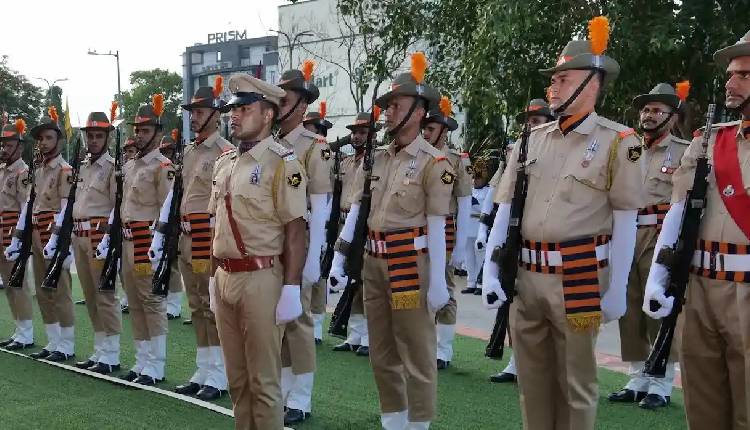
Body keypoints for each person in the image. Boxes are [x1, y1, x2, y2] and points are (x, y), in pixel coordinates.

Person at [483, 17, 644, 429]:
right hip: (526, 274)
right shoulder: (532, 139)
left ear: (592, 81)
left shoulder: (619, 142)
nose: (552, 88)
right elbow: (506, 207)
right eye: (553, 79)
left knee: (576, 383)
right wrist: (491, 268)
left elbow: (626, 219)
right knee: (532, 382)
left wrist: (617, 289)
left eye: (562, 79)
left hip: (579, 274)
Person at [329, 52, 454, 430]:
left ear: (418, 111)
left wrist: (439, 281)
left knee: (416, 352)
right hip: (372, 262)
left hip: (409, 264)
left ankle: (418, 424)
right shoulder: (376, 159)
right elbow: (356, 211)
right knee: (381, 351)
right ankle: (394, 421)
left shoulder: (435, 163)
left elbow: (436, 224)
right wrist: (339, 258)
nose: (387, 113)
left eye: (395, 106)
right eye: (387, 106)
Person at [644, 29, 750, 429]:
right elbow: (678, 210)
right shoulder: (709, 141)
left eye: (744, 74)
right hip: (699, 287)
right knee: (703, 406)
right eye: (730, 74)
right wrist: (658, 276)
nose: (730, 82)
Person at [210, 72, 306, 430]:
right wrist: (213, 277)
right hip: (225, 277)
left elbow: (295, 230)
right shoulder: (225, 162)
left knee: (264, 383)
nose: (234, 115)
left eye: (244, 109)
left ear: (268, 114)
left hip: (262, 279)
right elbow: (217, 224)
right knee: (237, 382)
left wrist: (291, 287)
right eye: (233, 109)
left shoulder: (283, 162)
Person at [607, 83, 690, 409]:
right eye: (645, 109)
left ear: (672, 117)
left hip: (660, 236)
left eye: (657, 110)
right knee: (629, 307)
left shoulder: (684, 151)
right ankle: (637, 377)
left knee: (657, 307)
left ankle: (661, 382)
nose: (648, 115)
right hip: (627, 233)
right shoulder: (627, 148)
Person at [275, 62, 332, 425]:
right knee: (279, 319)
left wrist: (314, 259)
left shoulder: (315, 146)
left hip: (302, 239)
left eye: (285, 100)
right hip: (273, 240)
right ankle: (283, 391)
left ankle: (302, 397)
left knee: (300, 320)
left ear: (302, 105)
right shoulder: (270, 143)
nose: (279, 106)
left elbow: (321, 206)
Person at [171, 85, 234, 401]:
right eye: (192, 112)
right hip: (186, 235)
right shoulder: (189, 151)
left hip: (208, 235)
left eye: (199, 112)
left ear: (215, 115)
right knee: (195, 304)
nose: (193, 117)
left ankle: (220, 373)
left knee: (212, 305)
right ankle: (204, 367)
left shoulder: (226, 151)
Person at [111, 101, 174, 385]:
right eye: (137, 130)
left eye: (145, 130)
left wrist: (161, 247)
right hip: (127, 239)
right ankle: (142, 360)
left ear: (158, 133)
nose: (139, 134)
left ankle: (156, 365)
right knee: (134, 300)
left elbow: (166, 209)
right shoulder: (130, 165)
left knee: (151, 300)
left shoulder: (162, 166)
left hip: (147, 240)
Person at [20, 109, 76, 362]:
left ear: (59, 140)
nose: (43, 142)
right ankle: (53, 340)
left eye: (48, 138)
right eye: (40, 138)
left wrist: (61, 240)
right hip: (36, 231)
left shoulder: (64, 170)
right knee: (43, 290)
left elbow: (65, 208)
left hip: (53, 232)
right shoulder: (39, 169)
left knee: (60, 289)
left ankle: (67, 344)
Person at [421, 97, 473, 370]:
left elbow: (464, 202)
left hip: (444, 230)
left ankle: (444, 349)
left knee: (445, 286)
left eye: (431, 129)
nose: (425, 133)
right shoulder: (418, 156)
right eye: (424, 128)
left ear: (443, 131)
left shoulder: (456, 160)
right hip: (418, 229)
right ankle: (424, 344)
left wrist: (461, 246)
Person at [71, 111, 122, 374]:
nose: (93, 140)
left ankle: (111, 353)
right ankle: (100, 349)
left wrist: (109, 240)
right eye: (90, 135)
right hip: (79, 235)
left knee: (105, 294)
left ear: (107, 138)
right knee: (90, 295)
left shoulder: (112, 168)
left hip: (99, 235)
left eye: (98, 136)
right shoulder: (83, 167)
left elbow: (116, 207)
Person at [330, 113, 375, 357]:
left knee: (365, 280)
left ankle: (368, 337)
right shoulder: (346, 162)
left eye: (362, 133)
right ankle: (355, 335)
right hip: (343, 222)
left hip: (363, 225)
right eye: (354, 133)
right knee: (352, 281)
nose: (356, 137)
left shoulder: (376, 160)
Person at [0, 119, 34, 350]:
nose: (4, 148)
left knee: (17, 282)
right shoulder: (2, 170)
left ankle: (26, 332)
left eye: (9, 145)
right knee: (8, 284)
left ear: (20, 147)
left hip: (13, 231)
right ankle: (19, 329)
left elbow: (25, 206)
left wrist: (21, 238)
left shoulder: (23, 172)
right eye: (3, 144)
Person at [303, 103, 333, 343]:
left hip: (321, 217)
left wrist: (322, 227)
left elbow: (329, 194)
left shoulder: (325, 153)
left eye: (310, 128)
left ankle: (316, 326)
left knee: (319, 275)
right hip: (305, 217)